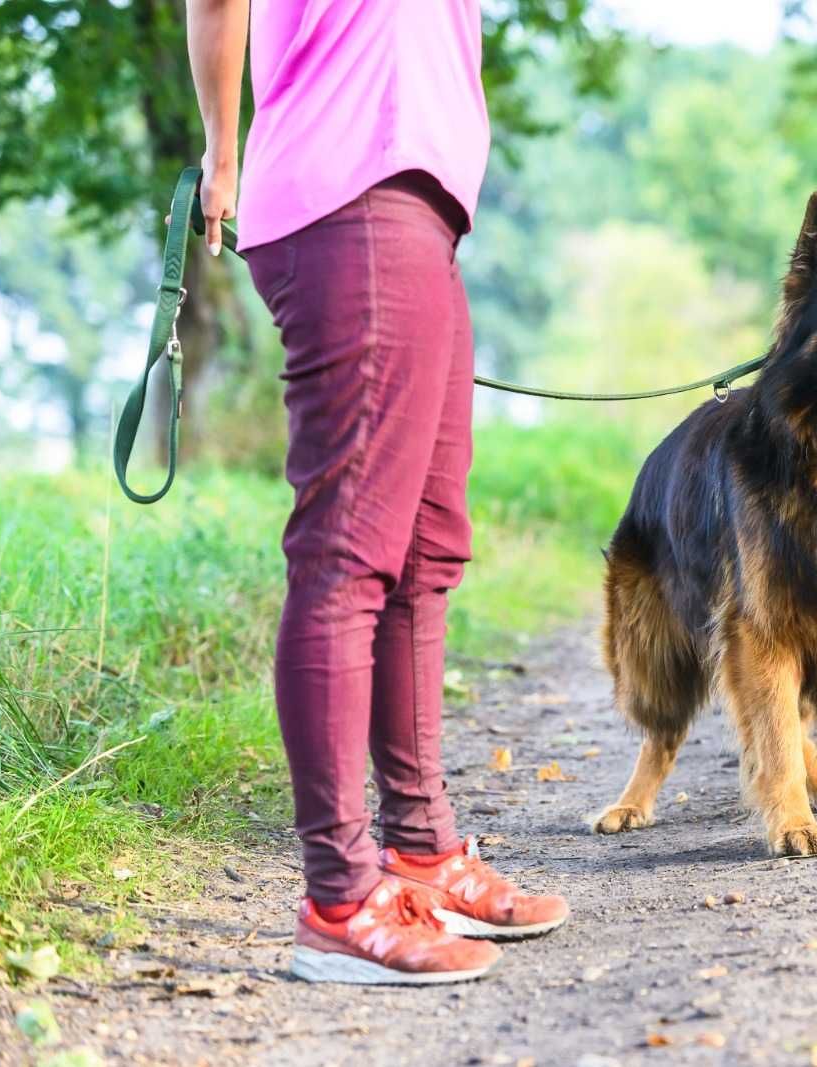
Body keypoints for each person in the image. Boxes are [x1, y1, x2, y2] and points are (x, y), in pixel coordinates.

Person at [184, 0, 568, 984]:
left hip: (417, 199)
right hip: (350, 183)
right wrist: (221, 152)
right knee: (349, 549)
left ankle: (421, 849)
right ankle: (339, 898)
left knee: (428, 540)